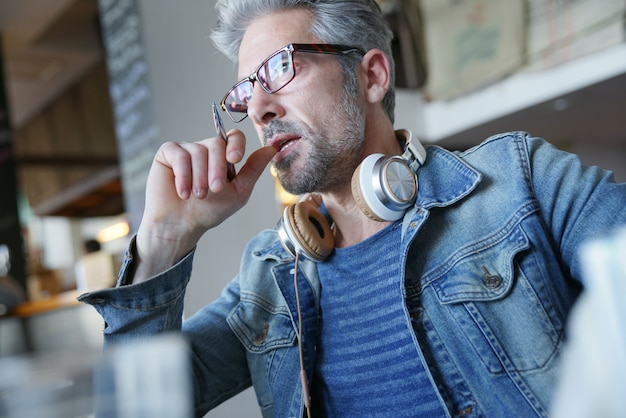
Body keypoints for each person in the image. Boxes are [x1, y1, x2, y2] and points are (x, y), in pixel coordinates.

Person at [79, 0, 626, 416]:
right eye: (247, 91)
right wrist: (162, 243)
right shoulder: (267, 278)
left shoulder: (521, 182)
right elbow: (137, 407)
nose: (260, 108)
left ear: (372, 75)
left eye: (279, 69)